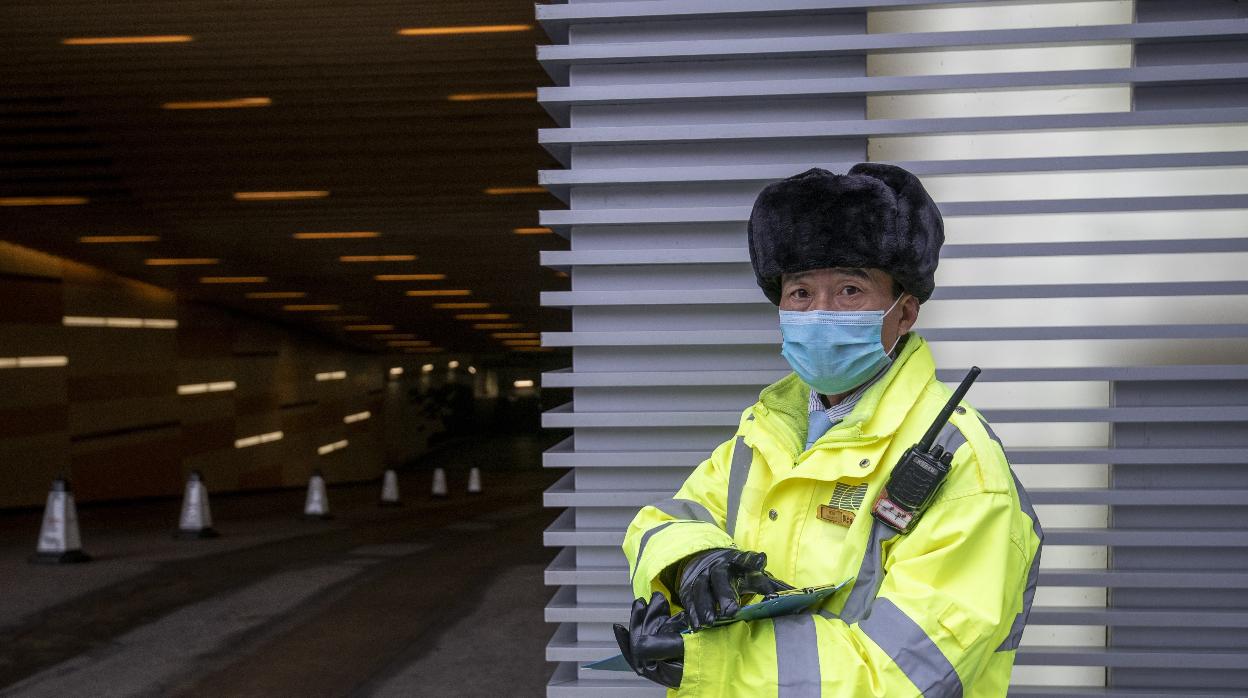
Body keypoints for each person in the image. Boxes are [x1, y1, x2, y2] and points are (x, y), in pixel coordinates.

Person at [614, 164, 1043, 696]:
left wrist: (711, 663)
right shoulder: (766, 432)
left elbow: (905, 674)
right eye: (799, 294)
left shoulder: (961, 461)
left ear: (904, 312)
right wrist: (693, 564)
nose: (819, 313)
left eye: (848, 290)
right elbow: (670, 518)